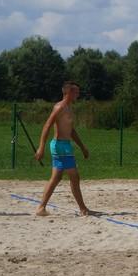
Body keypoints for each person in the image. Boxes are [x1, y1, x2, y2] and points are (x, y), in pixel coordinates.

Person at [33, 81, 92, 216]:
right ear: (69, 92)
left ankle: (41, 207)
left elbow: (71, 131)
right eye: (76, 92)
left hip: (64, 145)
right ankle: (83, 209)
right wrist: (41, 147)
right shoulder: (59, 107)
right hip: (60, 146)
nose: (78, 94)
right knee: (74, 177)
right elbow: (47, 126)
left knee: (56, 178)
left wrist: (82, 147)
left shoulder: (69, 108)